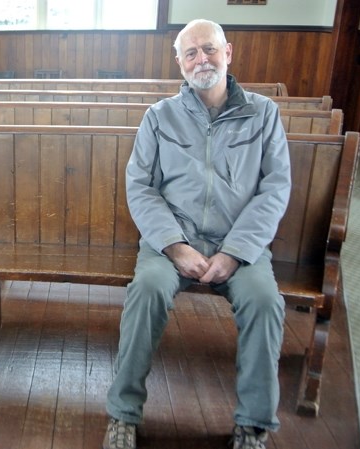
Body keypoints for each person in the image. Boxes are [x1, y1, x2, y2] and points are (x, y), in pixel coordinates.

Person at [102, 19, 291, 449]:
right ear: (179, 63)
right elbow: (141, 187)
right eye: (191, 53)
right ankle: (123, 415)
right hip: (172, 241)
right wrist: (174, 245)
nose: (201, 59)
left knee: (265, 301)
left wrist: (237, 251)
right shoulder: (159, 116)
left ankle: (253, 424)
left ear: (229, 52)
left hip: (239, 243)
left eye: (208, 49)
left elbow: (274, 188)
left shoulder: (263, 114)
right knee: (146, 289)